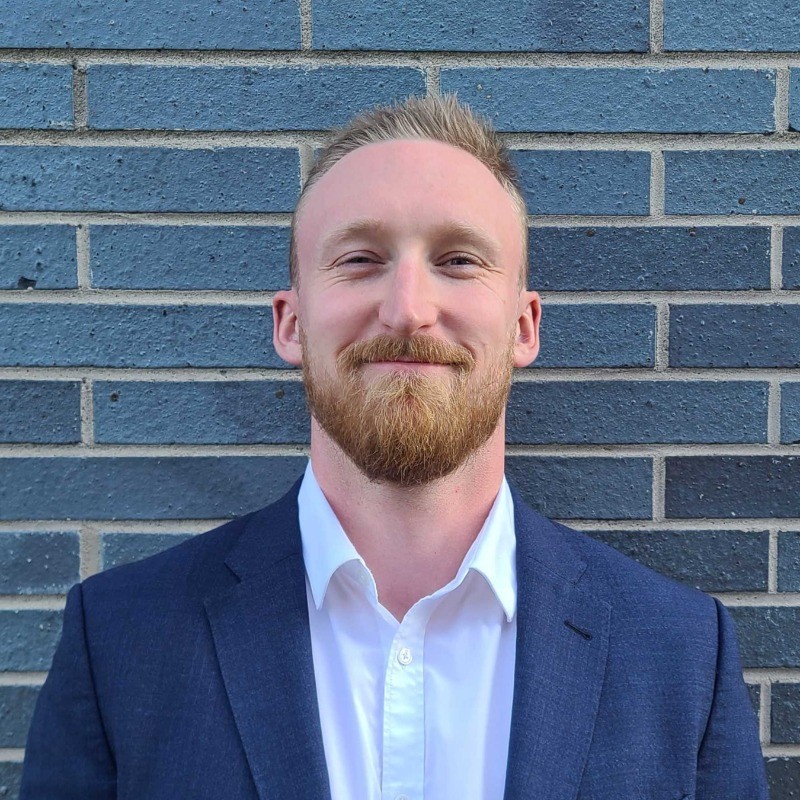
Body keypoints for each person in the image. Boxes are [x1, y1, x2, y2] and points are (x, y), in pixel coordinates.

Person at [20, 94, 767, 800]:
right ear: (290, 323)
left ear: (523, 327)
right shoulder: (121, 641)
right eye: (360, 259)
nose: (408, 309)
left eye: (459, 260)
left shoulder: (678, 655)